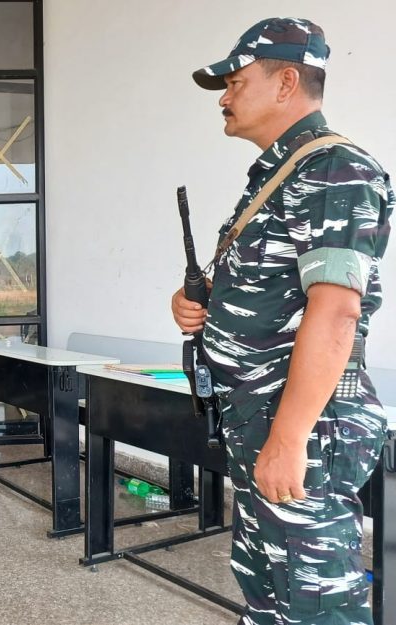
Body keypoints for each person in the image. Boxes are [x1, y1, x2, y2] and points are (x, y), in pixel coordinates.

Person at [172, 18, 394, 625]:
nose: (224, 96)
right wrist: (203, 301)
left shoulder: (334, 171)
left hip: (304, 431)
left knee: (315, 601)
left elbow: (337, 308)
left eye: (235, 81)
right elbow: (277, 291)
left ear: (286, 81)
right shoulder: (283, 173)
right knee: (268, 589)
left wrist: (289, 439)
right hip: (261, 419)